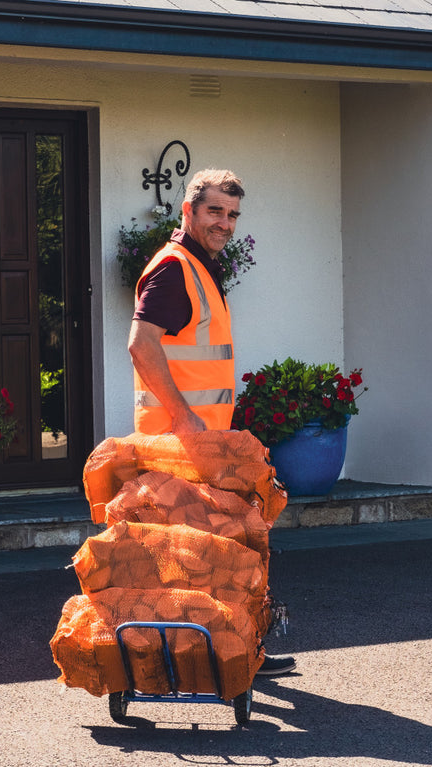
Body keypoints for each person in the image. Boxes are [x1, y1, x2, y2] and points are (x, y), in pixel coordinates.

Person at [128, 168, 296, 677]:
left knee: (210, 553)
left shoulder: (199, 267)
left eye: (232, 214)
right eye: (215, 212)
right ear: (189, 211)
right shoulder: (175, 267)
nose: (225, 223)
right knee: (211, 550)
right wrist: (182, 415)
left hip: (200, 442)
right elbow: (141, 344)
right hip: (176, 444)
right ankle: (223, 654)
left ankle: (234, 653)